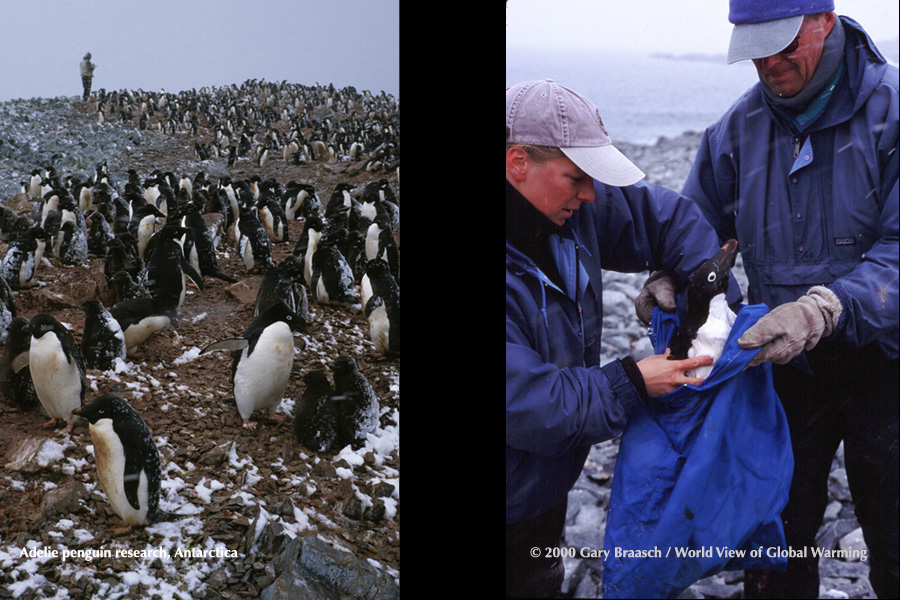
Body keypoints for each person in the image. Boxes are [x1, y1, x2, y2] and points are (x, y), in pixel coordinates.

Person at [672, 1, 898, 597]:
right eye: (756, 48)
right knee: (776, 543)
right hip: (785, 369)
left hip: (889, 365)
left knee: (896, 534)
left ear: (826, 21)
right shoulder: (735, 133)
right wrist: (673, 277)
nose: (770, 62)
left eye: (784, 43)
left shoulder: (894, 112)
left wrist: (826, 307)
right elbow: (696, 233)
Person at [506, 79, 739, 598]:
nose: (590, 194)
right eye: (576, 178)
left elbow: (670, 218)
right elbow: (523, 401)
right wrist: (632, 381)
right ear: (517, 162)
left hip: (544, 486)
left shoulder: (569, 208)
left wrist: (704, 294)